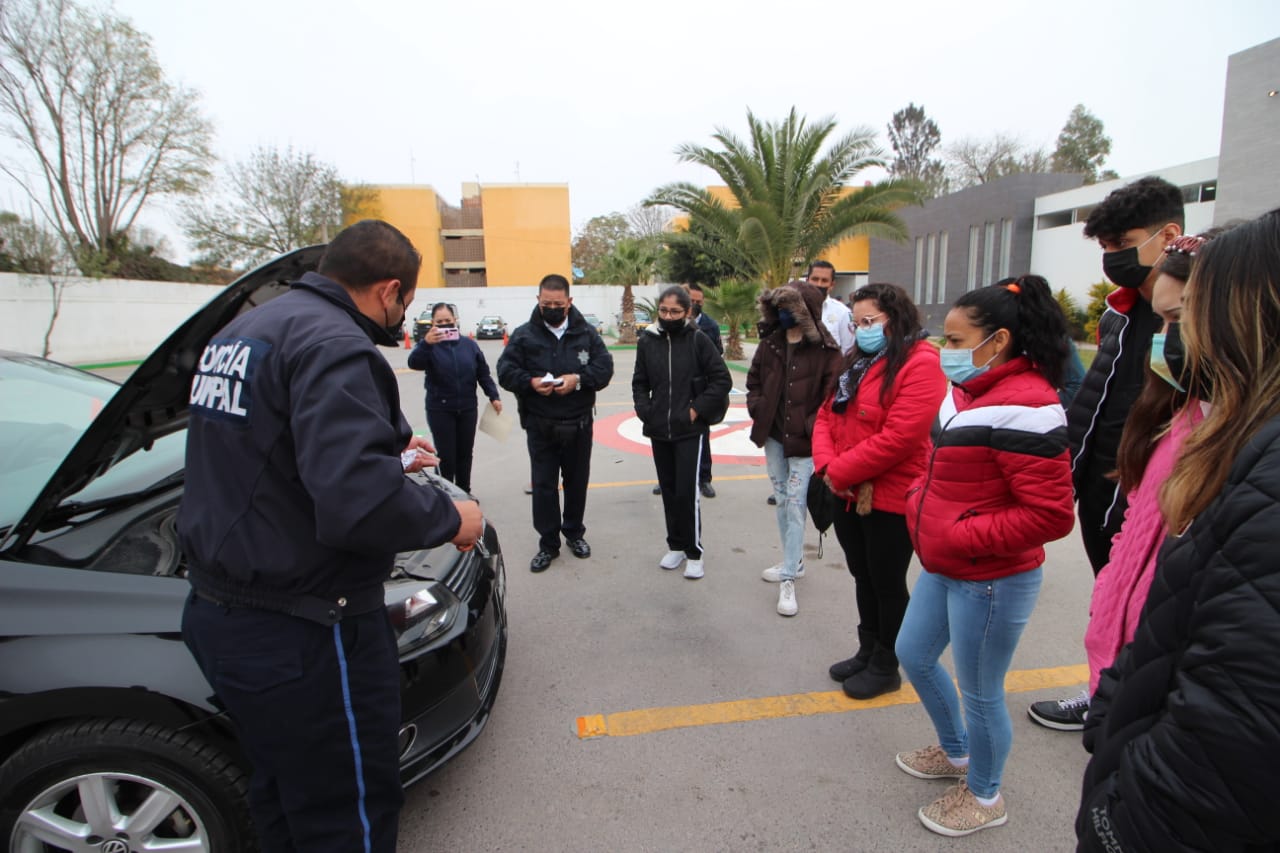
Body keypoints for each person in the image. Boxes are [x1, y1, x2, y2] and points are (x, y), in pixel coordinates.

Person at [177, 220, 485, 853]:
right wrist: (453, 520)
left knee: (283, 793)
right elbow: (357, 508)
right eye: (405, 302)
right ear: (389, 290)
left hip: (221, 610)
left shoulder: (243, 331)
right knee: (347, 812)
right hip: (309, 631)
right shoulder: (335, 344)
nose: (403, 315)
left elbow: (273, 454)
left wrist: (392, 457)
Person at [1077, 209, 1280, 851]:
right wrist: (1114, 700)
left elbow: (1226, 739)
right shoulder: (1191, 420)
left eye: (1184, 317)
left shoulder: (1253, 464)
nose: (1171, 339)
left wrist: (1110, 815)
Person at [893, 276, 1075, 837]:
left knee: (980, 691)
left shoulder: (1031, 406)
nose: (942, 351)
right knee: (914, 654)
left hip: (991, 578)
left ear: (996, 341)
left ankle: (986, 793)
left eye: (952, 339)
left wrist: (958, 534)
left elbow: (1051, 516)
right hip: (946, 565)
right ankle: (958, 753)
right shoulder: (968, 393)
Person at [1031, 232, 1223, 732]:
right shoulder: (1176, 417)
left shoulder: (1243, 448)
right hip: (1128, 674)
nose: (1163, 338)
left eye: (1177, 320)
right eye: (1160, 323)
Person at [811, 283, 946, 700]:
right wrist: (828, 468)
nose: (862, 329)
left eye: (871, 322)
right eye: (857, 322)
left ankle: (887, 663)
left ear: (897, 318)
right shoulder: (858, 360)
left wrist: (839, 472)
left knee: (886, 581)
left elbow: (901, 437)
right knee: (862, 575)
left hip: (889, 493)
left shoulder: (921, 363)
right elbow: (825, 415)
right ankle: (867, 647)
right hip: (849, 490)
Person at [497, 274, 614, 573]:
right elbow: (505, 370)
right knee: (545, 486)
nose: (551, 308)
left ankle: (574, 533)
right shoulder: (524, 336)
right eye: (546, 303)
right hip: (540, 425)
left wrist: (578, 380)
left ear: (569, 303)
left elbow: (604, 368)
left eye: (557, 304)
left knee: (576, 483)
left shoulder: (586, 333)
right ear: (538, 300)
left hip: (579, 424)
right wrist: (530, 382)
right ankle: (548, 544)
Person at [746, 281, 842, 616]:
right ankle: (794, 561)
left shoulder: (827, 351)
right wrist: (758, 407)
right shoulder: (770, 342)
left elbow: (831, 398)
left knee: (796, 501)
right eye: (780, 309)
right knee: (783, 499)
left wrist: (810, 427)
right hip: (773, 435)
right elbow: (753, 380)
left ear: (807, 311)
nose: (784, 315)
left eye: (791, 309)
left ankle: (789, 577)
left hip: (805, 442)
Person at [633, 286, 732, 579]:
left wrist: (695, 410)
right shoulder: (647, 341)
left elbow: (721, 380)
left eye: (675, 311)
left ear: (688, 312)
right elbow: (639, 381)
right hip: (658, 429)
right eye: (663, 311)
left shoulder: (699, 340)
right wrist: (645, 409)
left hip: (689, 430)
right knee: (669, 490)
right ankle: (675, 545)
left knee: (688, 493)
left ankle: (694, 552)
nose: (668, 316)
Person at [407, 302, 502, 494]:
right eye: (439, 322)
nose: (444, 325)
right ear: (433, 323)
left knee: (465, 454)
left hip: (467, 407)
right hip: (440, 408)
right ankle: (445, 493)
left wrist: (494, 396)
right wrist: (426, 343)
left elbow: (483, 373)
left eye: (448, 321)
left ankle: (464, 491)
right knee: (446, 455)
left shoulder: (469, 345)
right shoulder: (429, 346)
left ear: (456, 321)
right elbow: (414, 363)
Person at [652, 282, 724, 499]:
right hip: (669, 399)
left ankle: (704, 478)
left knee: (702, 441)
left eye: (698, 302)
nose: (696, 305)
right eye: (692, 300)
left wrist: (701, 403)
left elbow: (717, 360)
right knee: (667, 444)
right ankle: (666, 478)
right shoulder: (656, 332)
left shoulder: (708, 328)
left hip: (697, 396)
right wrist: (646, 408)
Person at [807, 260, 855, 354]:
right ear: (807, 281)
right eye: (815, 279)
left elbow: (848, 350)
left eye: (824, 280)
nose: (819, 284)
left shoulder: (843, 312)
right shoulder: (793, 309)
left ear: (832, 285)